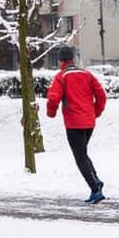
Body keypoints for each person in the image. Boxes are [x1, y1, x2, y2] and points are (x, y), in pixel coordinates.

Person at [46, 46, 107, 204]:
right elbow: (101, 95)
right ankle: (96, 181)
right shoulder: (87, 74)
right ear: (73, 59)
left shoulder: (62, 77)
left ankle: (95, 189)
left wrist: (51, 113)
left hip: (74, 123)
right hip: (89, 122)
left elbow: (53, 98)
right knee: (83, 154)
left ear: (60, 61)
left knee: (80, 157)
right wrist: (96, 112)